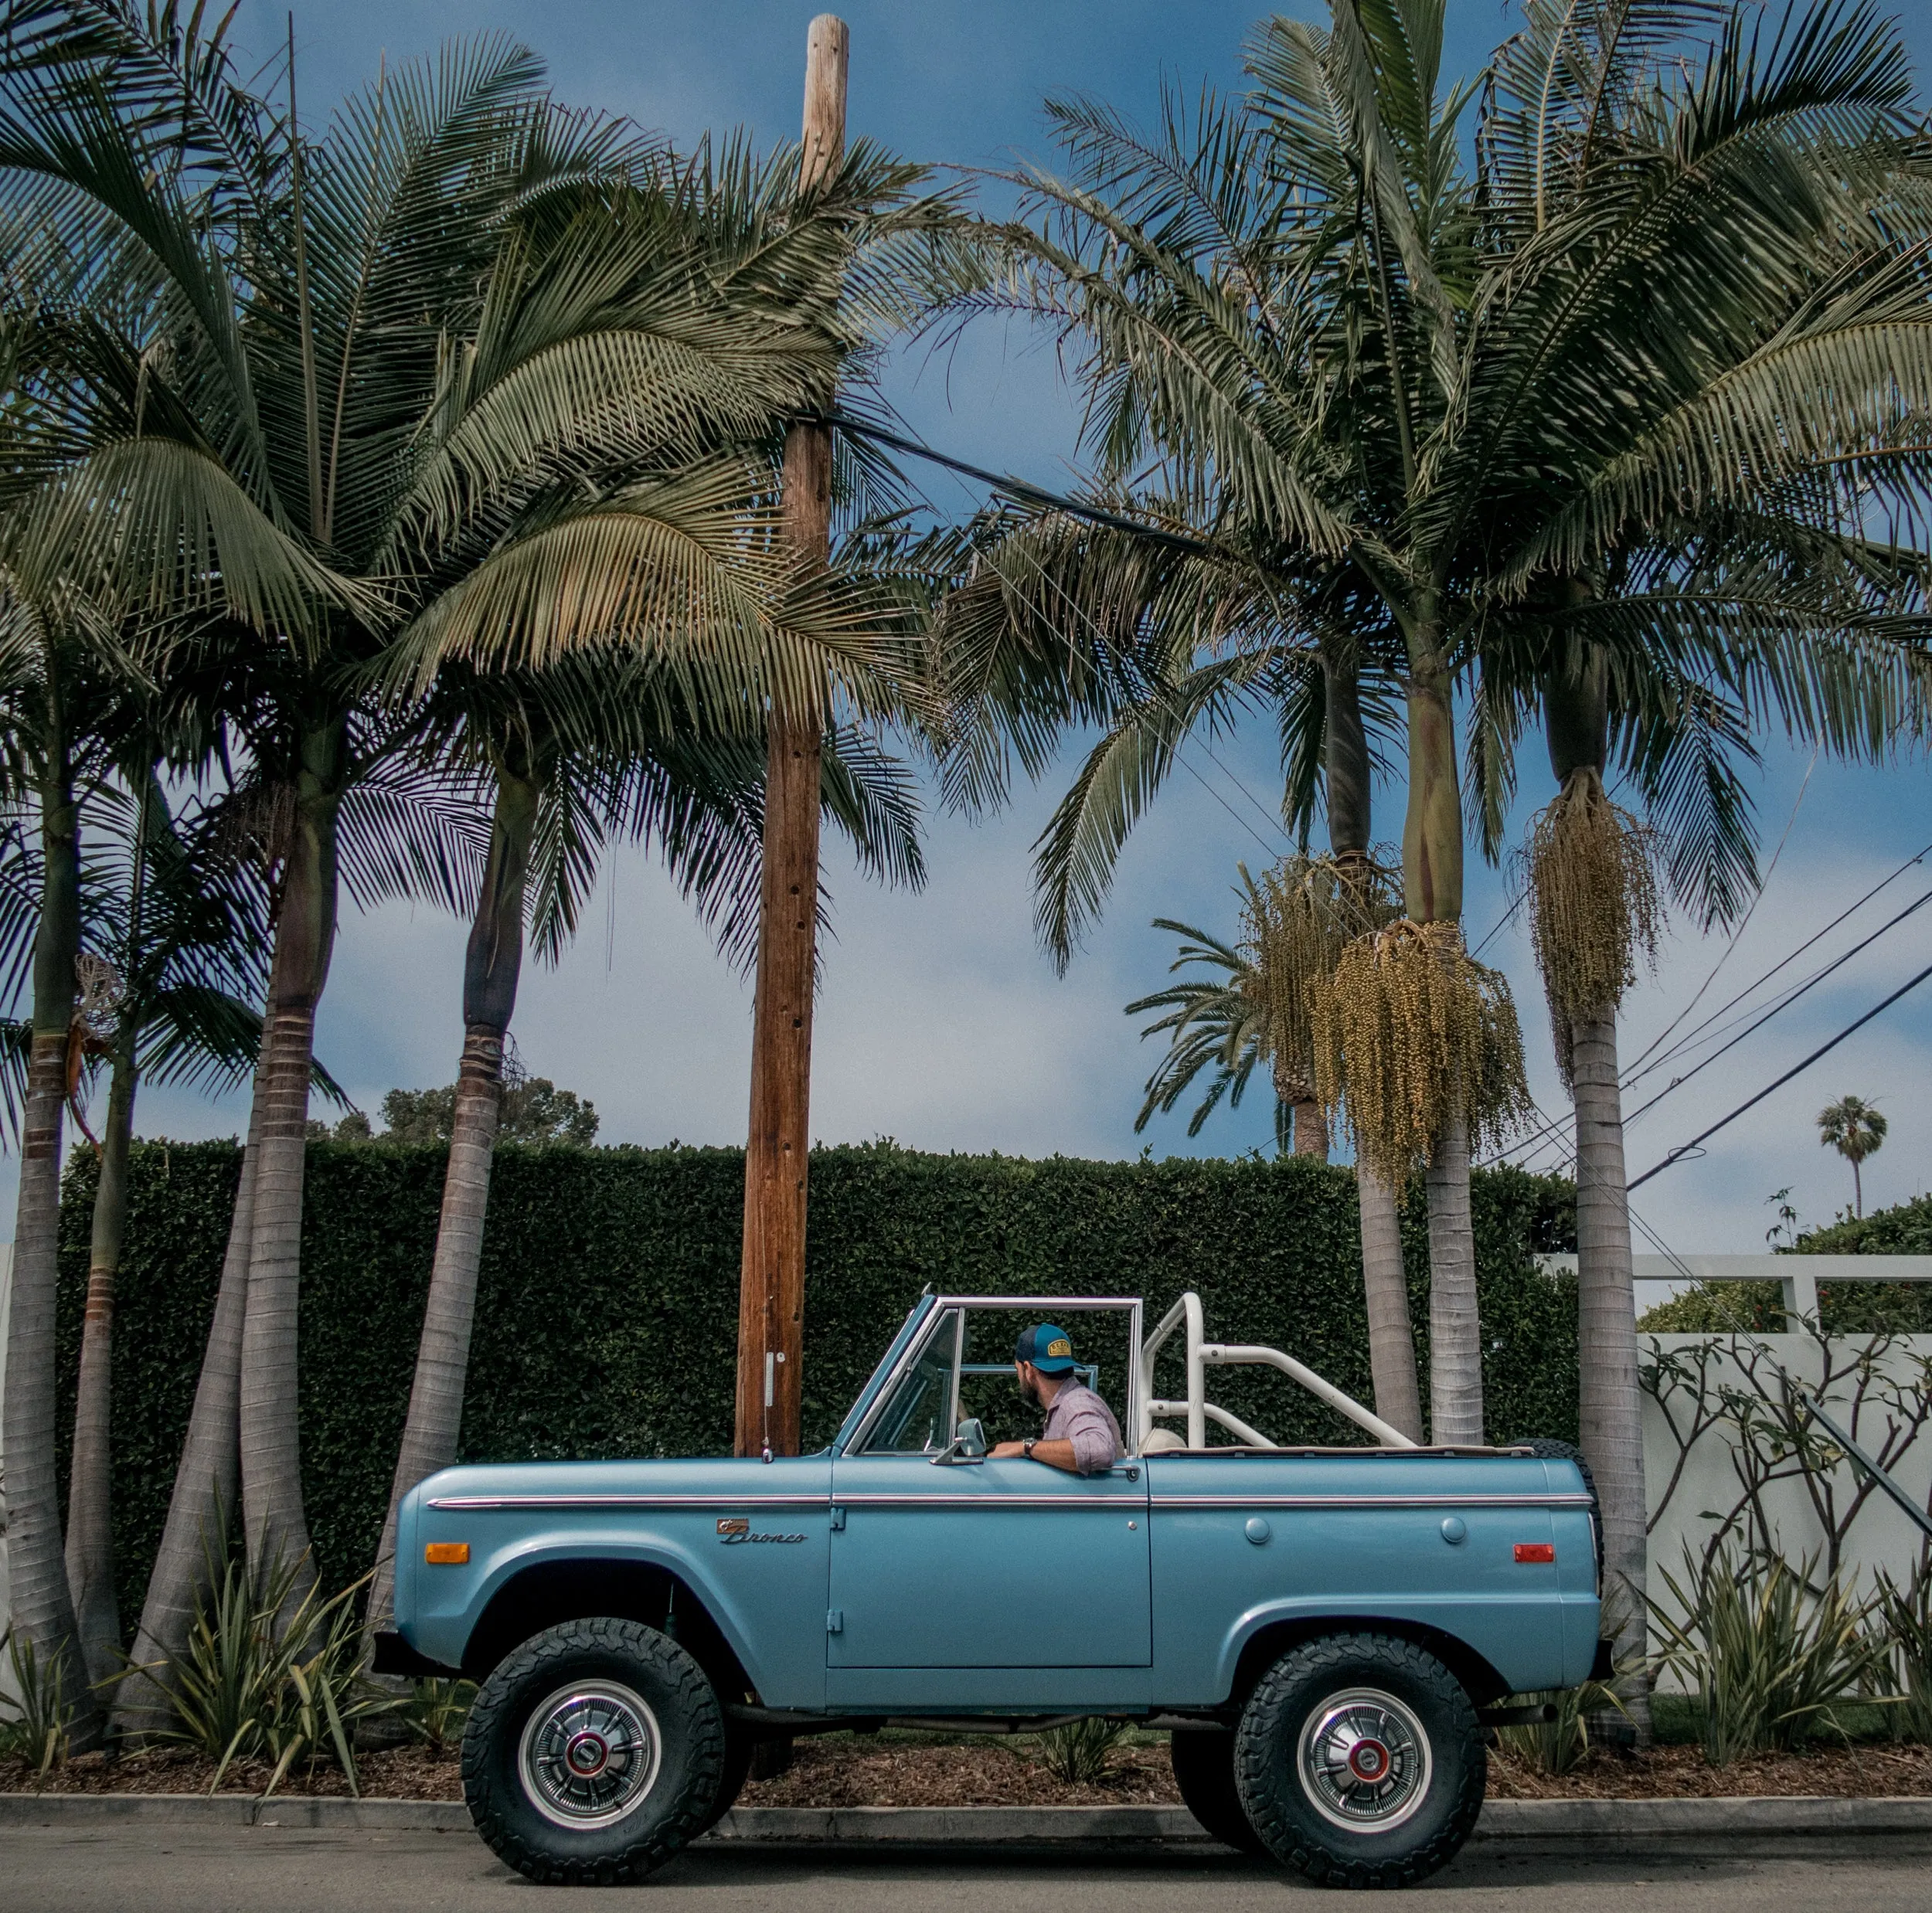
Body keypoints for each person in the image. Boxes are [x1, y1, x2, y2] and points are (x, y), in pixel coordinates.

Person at [991, 1323, 1124, 1474]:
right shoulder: (1066, 1403)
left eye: (1018, 1369)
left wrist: (1025, 1447)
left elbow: (1099, 1450)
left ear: (1028, 1370)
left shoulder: (1075, 1403)